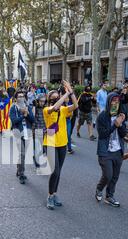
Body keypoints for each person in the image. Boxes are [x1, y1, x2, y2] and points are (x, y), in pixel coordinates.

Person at [43, 80, 78, 210]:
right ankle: (50, 196)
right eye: (53, 98)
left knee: (59, 172)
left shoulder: (63, 110)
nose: (56, 99)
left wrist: (71, 92)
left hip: (62, 143)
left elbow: (75, 105)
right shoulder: (47, 110)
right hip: (50, 143)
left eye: (57, 97)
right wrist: (65, 94)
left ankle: (55, 193)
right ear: (49, 100)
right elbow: (54, 108)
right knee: (55, 171)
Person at [95, 92, 128, 207]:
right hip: (105, 151)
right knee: (108, 175)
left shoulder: (120, 115)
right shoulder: (102, 116)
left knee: (115, 176)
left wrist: (121, 124)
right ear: (109, 102)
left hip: (118, 151)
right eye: (113, 101)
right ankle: (99, 188)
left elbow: (124, 134)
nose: (116, 103)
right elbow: (102, 135)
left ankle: (109, 196)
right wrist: (115, 125)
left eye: (118, 101)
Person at [10, 91, 35, 184]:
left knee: (23, 154)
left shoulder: (28, 107)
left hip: (27, 132)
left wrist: (27, 114)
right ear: (16, 98)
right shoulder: (13, 108)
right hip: (18, 132)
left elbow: (33, 120)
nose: (21, 98)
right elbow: (14, 121)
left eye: (23, 96)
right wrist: (22, 115)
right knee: (22, 154)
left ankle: (18, 167)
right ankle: (21, 173)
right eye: (19, 96)